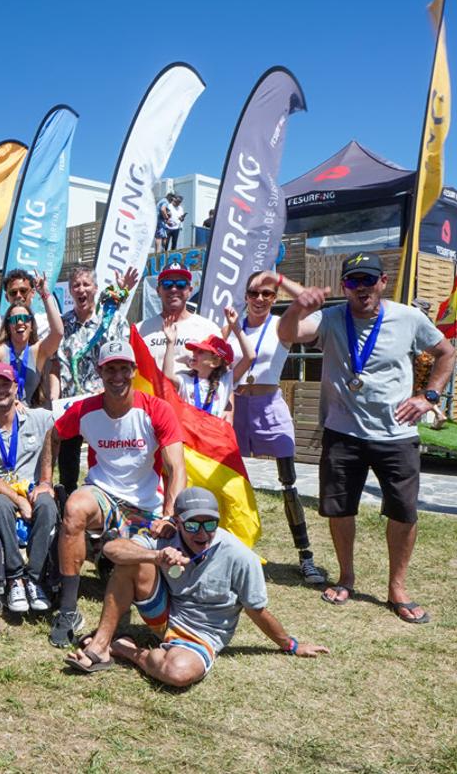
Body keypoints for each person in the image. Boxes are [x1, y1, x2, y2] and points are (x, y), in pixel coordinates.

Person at [278, 252, 455, 623]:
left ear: (382, 282)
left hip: (398, 435)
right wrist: (295, 308)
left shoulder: (408, 318)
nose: (362, 289)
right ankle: (346, 577)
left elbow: (445, 352)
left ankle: (397, 588)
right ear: (345, 286)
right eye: (354, 281)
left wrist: (429, 397)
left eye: (368, 280)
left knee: (403, 512)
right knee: (340, 509)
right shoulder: (329, 318)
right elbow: (288, 335)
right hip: (343, 433)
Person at [65, 488, 328, 682]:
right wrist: (156, 556)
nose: (202, 533)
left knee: (177, 674)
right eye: (192, 525)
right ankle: (101, 646)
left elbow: (257, 610)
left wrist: (291, 645)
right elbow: (111, 550)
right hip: (164, 617)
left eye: (210, 524)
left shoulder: (240, 557)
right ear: (177, 522)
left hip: (202, 634)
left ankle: (128, 650)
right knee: (131, 561)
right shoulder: (167, 538)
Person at [49, 339, 187, 648]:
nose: (117, 377)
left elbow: (176, 468)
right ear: (100, 372)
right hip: (104, 494)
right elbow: (55, 434)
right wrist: (46, 480)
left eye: (124, 369)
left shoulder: (156, 410)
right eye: (110, 369)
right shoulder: (85, 409)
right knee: (73, 508)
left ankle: (114, 556)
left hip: (146, 504)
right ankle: (68, 610)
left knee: (145, 572)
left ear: (134, 371)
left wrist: (169, 516)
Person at [224, 270, 326, 585]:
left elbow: (310, 303)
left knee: (288, 484)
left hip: (270, 407)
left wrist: (278, 279)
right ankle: (228, 549)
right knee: (229, 482)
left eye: (267, 294)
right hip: (235, 408)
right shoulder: (231, 326)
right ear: (245, 295)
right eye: (254, 293)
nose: (259, 299)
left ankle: (305, 555)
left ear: (274, 298)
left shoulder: (282, 324)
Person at [0, 362, 58, 613]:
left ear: (16, 388)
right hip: (1, 490)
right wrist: (19, 500)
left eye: (5, 384)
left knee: (48, 504)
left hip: (32, 487)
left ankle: (34, 578)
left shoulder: (37, 417)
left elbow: (58, 428)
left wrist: (46, 480)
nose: (0, 390)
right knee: (1, 505)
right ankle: (15, 577)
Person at [52, 265, 140, 489]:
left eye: (85, 284)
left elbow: (123, 360)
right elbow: (54, 364)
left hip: (104, 404)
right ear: (70, 292)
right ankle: (68, 505)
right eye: (76, 285)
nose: (81, 289)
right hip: (70, 405)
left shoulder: (113, 320)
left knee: (105, 463)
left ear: (95, 288)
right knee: (68, 469)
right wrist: (53, 399)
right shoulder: (62, 325)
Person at [0, 274, 64, 406]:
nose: (20, 322)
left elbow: (58, 333)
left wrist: (45, 294)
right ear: (8, 326)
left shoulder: (37, 351)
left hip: (29, 415)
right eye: (14, 320)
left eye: (25, 319)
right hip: (3, 415)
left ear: (32, 325)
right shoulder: (0, 351)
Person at [161, 311, 250, 423]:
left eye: (201, 352)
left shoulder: (225, 381)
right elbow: (167, 375)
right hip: (190, 436)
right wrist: (170, 343)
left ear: (215, 362)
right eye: (194, 350)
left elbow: (249, 357)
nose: (194, 353)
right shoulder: (186, 379)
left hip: (213, 437)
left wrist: (236, 327)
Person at [138, 265, 222, 372]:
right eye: (167, 284)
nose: (173, 289)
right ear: (158, 290)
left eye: (181, 284)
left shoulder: (208, 329)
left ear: (190, 290)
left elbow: (222, 372)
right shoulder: (140, 330)